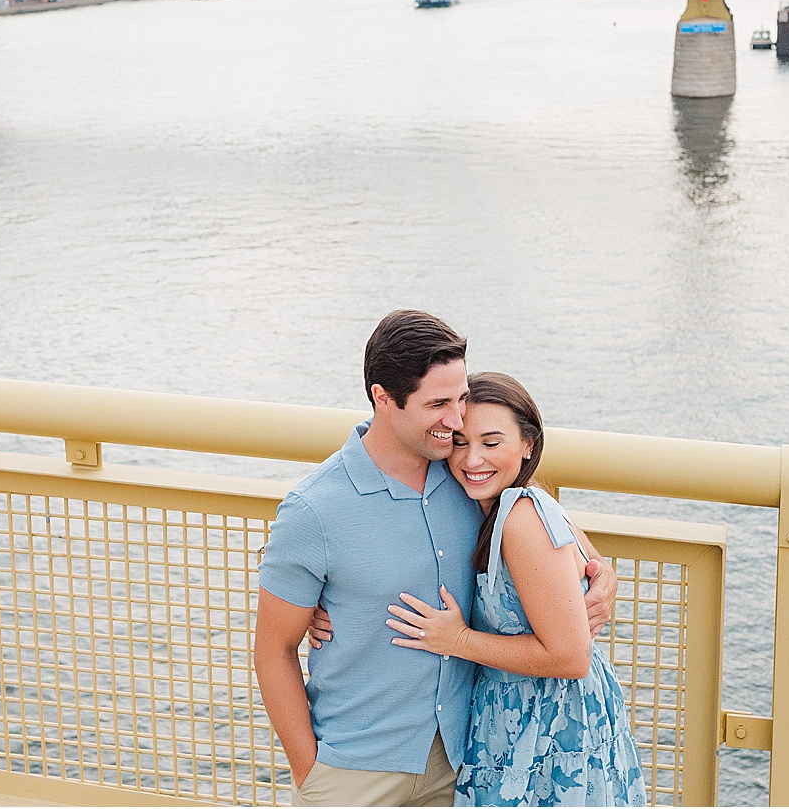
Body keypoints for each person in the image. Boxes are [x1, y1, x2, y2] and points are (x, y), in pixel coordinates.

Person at [254, 310, 618, 808]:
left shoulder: (467, 476)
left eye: (462, 398)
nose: (456, 420)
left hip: (466, 760)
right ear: (384, 399)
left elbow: (544, 520)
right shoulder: (314, 509)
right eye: (439, 403)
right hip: (354, 772)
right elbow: (273, 651)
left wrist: (602, 575)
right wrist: (310, 774)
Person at [385, 372, 646, 807]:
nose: (472, 460)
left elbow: (570, 658)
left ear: (528, 444)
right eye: (461, 442)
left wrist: (459, 640)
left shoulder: (520, 514)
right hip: (519, 718)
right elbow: (585, 558)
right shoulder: (503, 501)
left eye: (491, 443)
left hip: (550, 724)